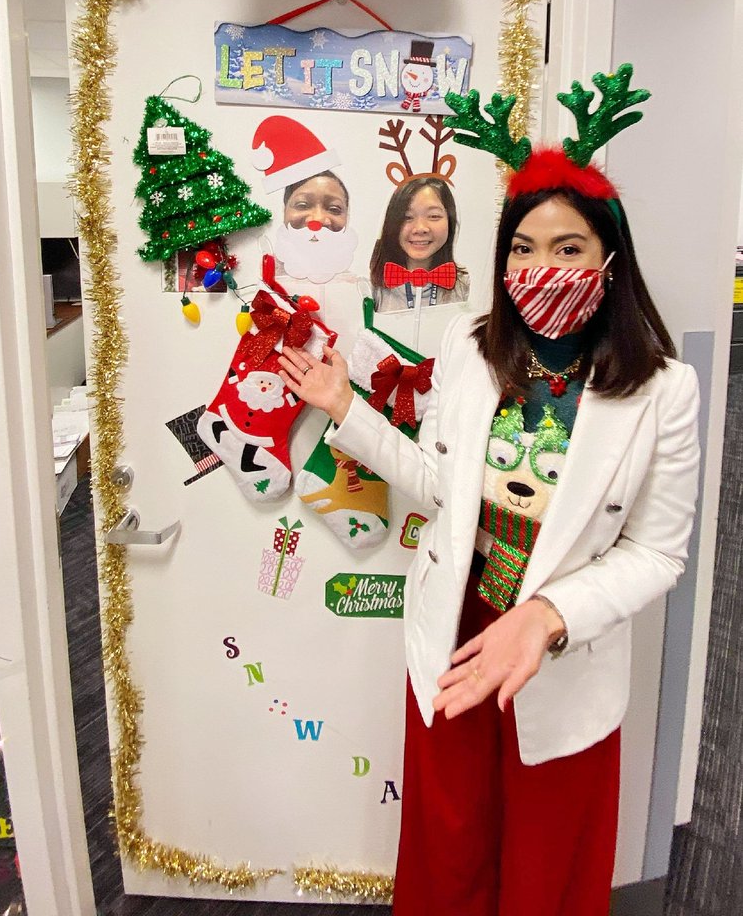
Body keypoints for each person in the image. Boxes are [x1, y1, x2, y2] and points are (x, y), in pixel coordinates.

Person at [278, 68, 700, 916]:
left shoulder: (663, 390)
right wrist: (344, 410)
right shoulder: (475, 353)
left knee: (550, 860)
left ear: (609, 263)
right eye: (522, 247)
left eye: (568, 248)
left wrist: (547, 621)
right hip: (456, 629)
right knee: (451, 843)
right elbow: (442, 486)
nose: (540, 265)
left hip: (559, 647)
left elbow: (657, 551)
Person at [370, 174, 469, 312]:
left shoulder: (465, 286)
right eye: (407, 217)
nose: (420, 228)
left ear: (450, 222)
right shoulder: (371, 287)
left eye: (434, 216)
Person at [276, 170, 359, 284]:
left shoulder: (357, 287)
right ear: (284, 211)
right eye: (302, 205)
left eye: (334, 209)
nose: (318, 219)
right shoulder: (264, 280)